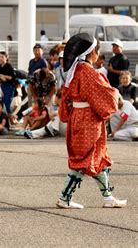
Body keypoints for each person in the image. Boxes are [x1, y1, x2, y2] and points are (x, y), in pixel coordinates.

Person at [56, 32, 127, 209]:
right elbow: (106, 95)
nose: (98, 53)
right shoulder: (88, 71)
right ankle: (64, 198)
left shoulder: (76, 71)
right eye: (97, 50)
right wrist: (116, 93)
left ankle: (108, 198)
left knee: (97, 157)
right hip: (88, 120)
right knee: (85, 159)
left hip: (80, 118)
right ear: (90, 52)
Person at [0, 51, 15, 116]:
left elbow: (12, 77)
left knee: (7, 104)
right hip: (1, 87)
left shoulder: (9, 66)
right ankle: (8, 119)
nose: (0, 58)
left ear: (6, 58)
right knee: (2, 104)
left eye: (2, 57)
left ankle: (11, 120)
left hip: (9, 87)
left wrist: (3, 75)